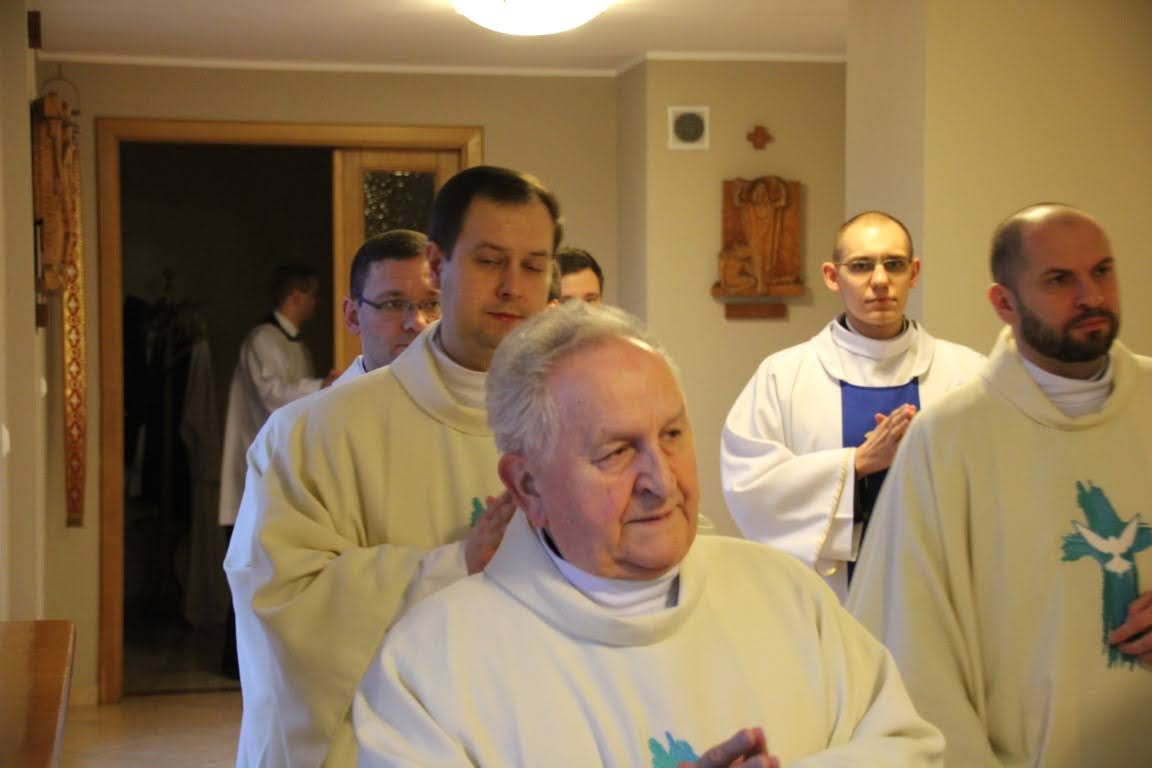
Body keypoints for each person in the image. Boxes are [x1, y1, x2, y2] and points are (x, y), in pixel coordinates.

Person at [354, 301, 944, 767]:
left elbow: (907, 747)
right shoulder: (433, 664)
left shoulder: (788, 595)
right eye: (617, 452)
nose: (661, 482)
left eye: (672, 436)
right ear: (529, 486)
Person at [223, 166, 560, 767]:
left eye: (533, 267)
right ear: (438, 264)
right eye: (489, 261)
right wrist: (456, 564)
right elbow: (281, 600)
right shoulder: (310, 434)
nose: (513, 287)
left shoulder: (576, 421)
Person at [847, 204, 1152, 766]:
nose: (1092, 296)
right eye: (1059, 280)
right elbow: (912, 650)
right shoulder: (950, 439)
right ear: (1004, 303)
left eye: (1102, 271)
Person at [721, 211, 984, 599]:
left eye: (893, 265)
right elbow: (751, 487)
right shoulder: (784, 375)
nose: (880, 280)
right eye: (861, 266)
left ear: (913, 273)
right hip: (831, 601)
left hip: (939, 594)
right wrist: (857, 464)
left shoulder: (967, 373)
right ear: (832, 276)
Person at [218, 263, 332, 528]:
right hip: (260, 456)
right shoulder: (262, 339)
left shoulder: (298, 346)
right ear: (297, 296)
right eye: (314, 295)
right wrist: (321, 386)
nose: (317, 303)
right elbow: (271, 395)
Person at [333, 229, 439, 385]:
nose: (418, 323)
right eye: (394, 305)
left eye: (432, 304)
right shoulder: (329, 402)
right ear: (353, 317)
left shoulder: (472, 398)